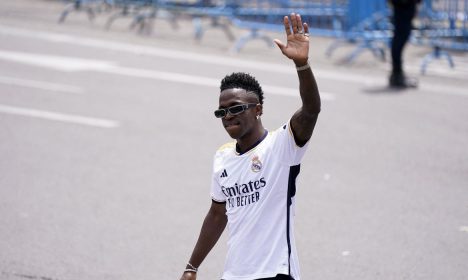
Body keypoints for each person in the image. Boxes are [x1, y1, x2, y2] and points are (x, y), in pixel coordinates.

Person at [179, 13, 321, 280]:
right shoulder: (223, 157)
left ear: (258, 109)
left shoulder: (283, 145)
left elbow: (311, 110)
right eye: (222, 112)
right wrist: (192, 266)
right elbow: (217, 214)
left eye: (235, 108)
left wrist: (302, 65)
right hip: (234, 274)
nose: (228, 116)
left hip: (275, 272)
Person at [389, 0, 421, 88]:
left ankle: (397, 73)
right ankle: (397, 74)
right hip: (403, 5)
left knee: (400, 38)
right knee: (400, 39)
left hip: (404, 5)